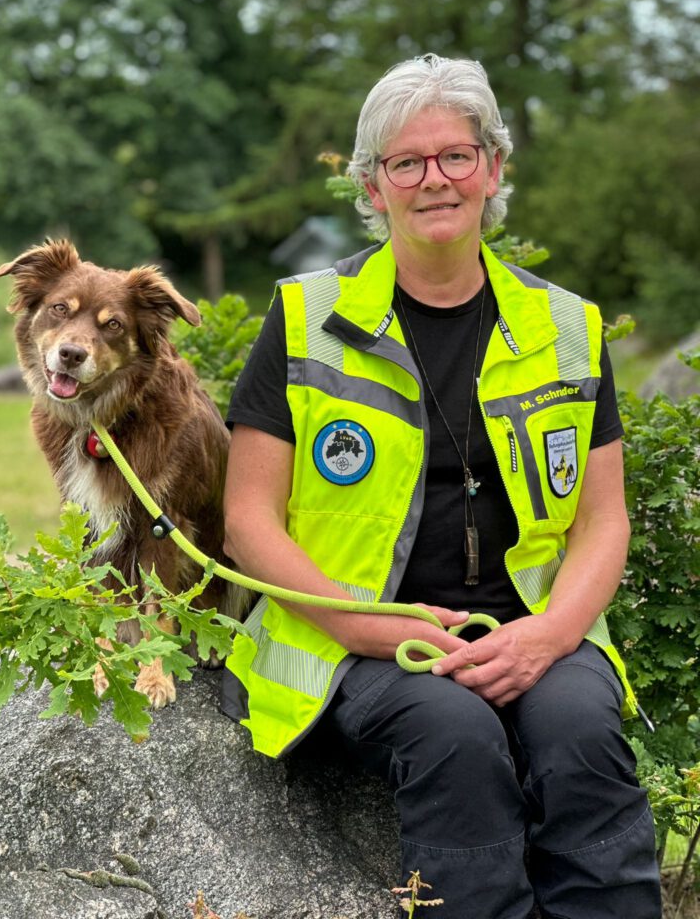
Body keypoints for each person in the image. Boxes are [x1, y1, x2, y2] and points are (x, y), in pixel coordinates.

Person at [221, 54, 662, 919]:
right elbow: (247, 520)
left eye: (457, 156)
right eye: (406, 162)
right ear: (372, 184)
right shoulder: (308, 316)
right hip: (352, 637)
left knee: (579, 733)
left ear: (493, 168)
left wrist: (548, 637)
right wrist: (372, 625)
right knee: (453, 736)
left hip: (531, 629)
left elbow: (603, 520)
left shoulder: (568, 327)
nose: (436, 180)